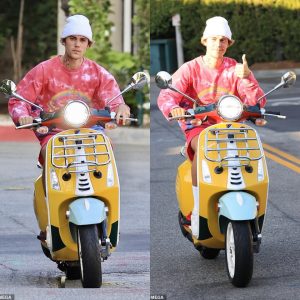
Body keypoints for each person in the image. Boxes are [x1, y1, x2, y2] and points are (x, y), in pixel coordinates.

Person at [157, 16, 266, 237]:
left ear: (229, 44)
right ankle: (197, 208)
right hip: (200, 126)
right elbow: (167, 94)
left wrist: (247, 78)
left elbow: (258, 102)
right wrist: (173, 108)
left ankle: (249, 199)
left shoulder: (237, 69)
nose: (219, 44)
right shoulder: (190, 69)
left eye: (224, 40)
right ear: (204, 41)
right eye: (215, 39)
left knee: (252, 152)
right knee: (204, 147)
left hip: (232, 126)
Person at [8, 14, 130, 165]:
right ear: (64, 41)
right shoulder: (44, 70)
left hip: (91, 130)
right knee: (53, 159)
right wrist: (22, 115)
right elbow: (19, 99)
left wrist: (121, 108)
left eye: (82, 40)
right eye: (72, 38)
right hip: (53, 131)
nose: (77, 44)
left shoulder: (97, 73)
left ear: (88, 44)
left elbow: (114, 99)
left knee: (106, 154)